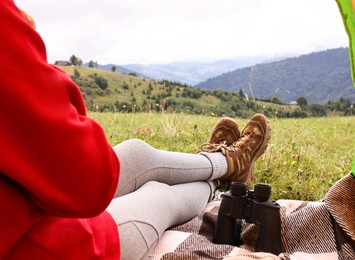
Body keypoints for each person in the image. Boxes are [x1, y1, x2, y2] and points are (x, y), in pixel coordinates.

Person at [0, 1, 271, 259]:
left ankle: (227, 162)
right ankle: (217, 181)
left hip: (17, 213)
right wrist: (33, 61)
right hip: (44, 247)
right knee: (158, 195)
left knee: (136, 154)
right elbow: (89, 180)